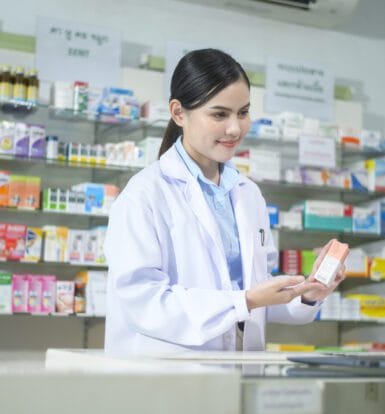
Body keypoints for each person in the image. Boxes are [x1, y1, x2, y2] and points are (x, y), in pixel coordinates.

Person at [104, 48, 347, 356]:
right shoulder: (144, 194)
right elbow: (143, 301)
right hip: (168, 376)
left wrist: (308, 293)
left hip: (240, 372)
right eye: (219, 114)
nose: (235, 128)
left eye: (243, 112)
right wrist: (243, 301)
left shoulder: (248, 193)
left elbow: (259, 293)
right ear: (179, 113)